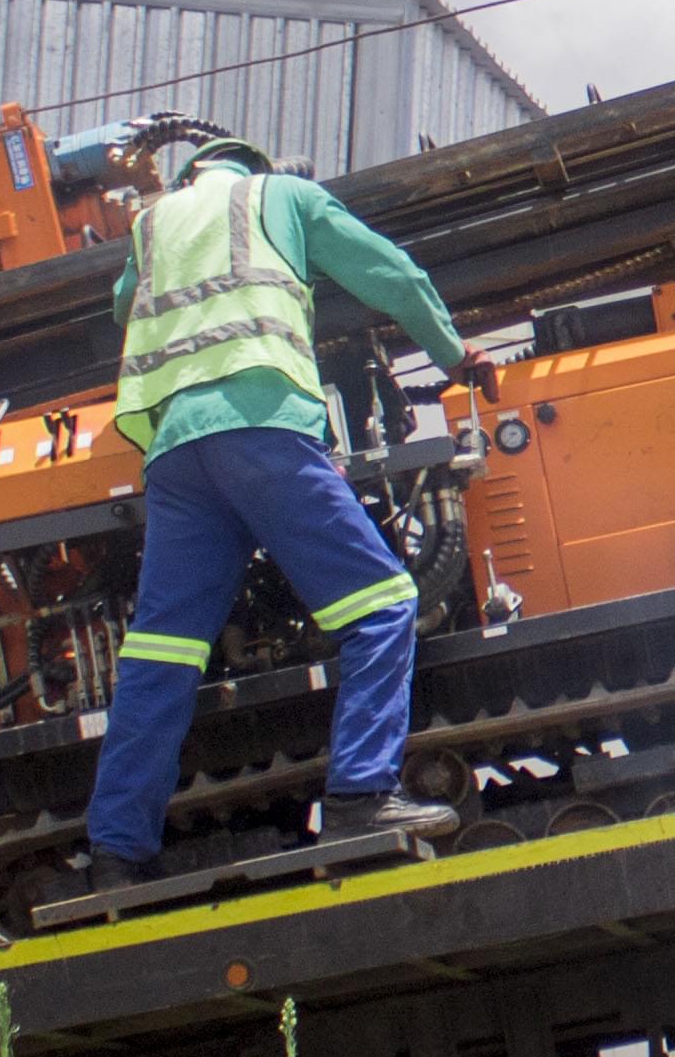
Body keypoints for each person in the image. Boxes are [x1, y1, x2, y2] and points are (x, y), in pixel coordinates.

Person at [80, 132, 481, 882]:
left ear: (195, 172)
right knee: (385, 602)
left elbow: (118, 306)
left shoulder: (152, 222)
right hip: (260, 425)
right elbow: (389, 272)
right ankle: (361, 796)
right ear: (256, 168)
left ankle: (114, 852)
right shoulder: (283, 197)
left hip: (174, 451)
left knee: (160, 654)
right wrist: (457, 355)